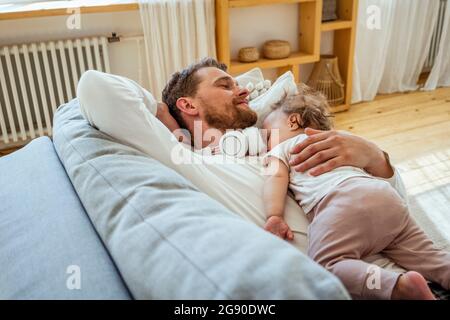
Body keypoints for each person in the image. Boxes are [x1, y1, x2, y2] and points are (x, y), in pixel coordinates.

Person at [77, 57, 410, 297]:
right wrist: (165, 118)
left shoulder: (279, 136)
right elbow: (96, 87)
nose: (243, 91)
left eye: (239, 84)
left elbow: (398, 206)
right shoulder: (184, 156)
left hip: (404, 263)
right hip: (349, 286)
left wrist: (376, 159)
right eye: (225, 85)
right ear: (188, 105)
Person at [261, 84, 450, 299]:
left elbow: (275, 176)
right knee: (428, 255)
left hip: (341, 203)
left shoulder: (282, 149)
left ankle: (397, 285)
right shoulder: (341, 142)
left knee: (327, 265)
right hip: (384, 196)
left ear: (292, 120)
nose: (267, 145)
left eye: (267, 136)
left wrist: (274, 215)